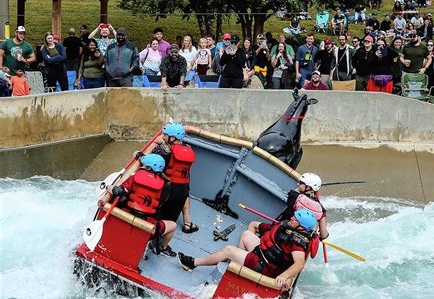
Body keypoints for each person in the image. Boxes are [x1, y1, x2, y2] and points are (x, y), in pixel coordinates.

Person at [177, 210, 319, 290]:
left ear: (301, 227)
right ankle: (239, 268)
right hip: (264, 256)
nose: (292, 218)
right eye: (294, 216)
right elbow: (261, 227)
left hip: (265, 266)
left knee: (228, 250)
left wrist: (284, 276)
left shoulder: (298, 243)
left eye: (295, 219)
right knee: (246, 234)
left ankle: (193, 263)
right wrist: (255, 225)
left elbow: (299, 263)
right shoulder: (289, 227)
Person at [100, 154, 178, 257]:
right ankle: (159, 247)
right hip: (147, 227)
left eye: (144, 165)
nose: (142, 167)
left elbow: (119, 191)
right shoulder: (165, 185)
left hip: (124, 217)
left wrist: (109, 187)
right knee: (173, 225)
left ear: (149, 167)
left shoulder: (135, 177)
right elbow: (162, 201)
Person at [147, 122, 198, 234]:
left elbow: (149, 162)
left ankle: (154, 239)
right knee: (170, 221)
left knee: (157, 220)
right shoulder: (188, 149)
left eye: (165, 135)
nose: (163, 137)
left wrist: (139, 155)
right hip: (182, 193)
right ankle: (185, 222)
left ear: (173, 137)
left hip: (167, 191)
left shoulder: (162, 150)